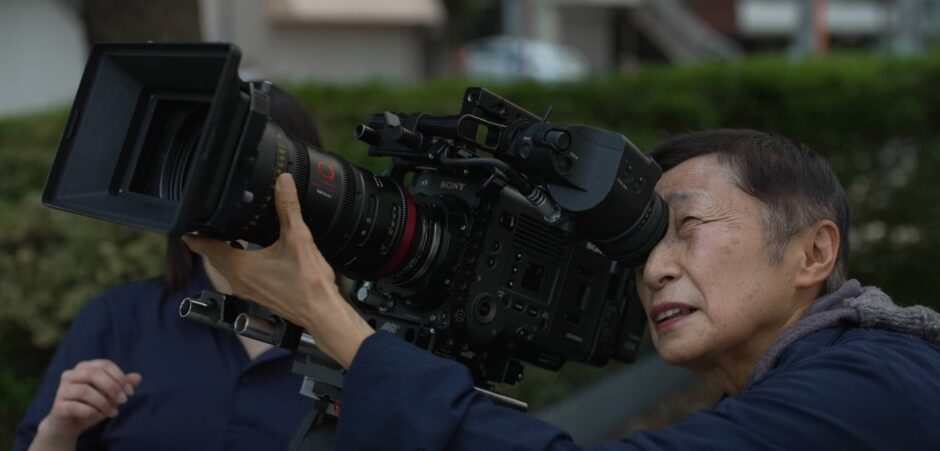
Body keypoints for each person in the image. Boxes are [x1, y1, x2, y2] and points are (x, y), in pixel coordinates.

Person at [183, 129, 940, 450]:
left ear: (813, 252)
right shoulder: (831, 375)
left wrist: (326, 311)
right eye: (642, 248)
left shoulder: (871, 383)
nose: (653, 269)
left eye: (687, 226)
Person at [14, 85, 323, 451]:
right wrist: (59, 432)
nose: (230, 193)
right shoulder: (117, 318)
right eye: (210, 168)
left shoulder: (349, 343)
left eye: (253, 169)